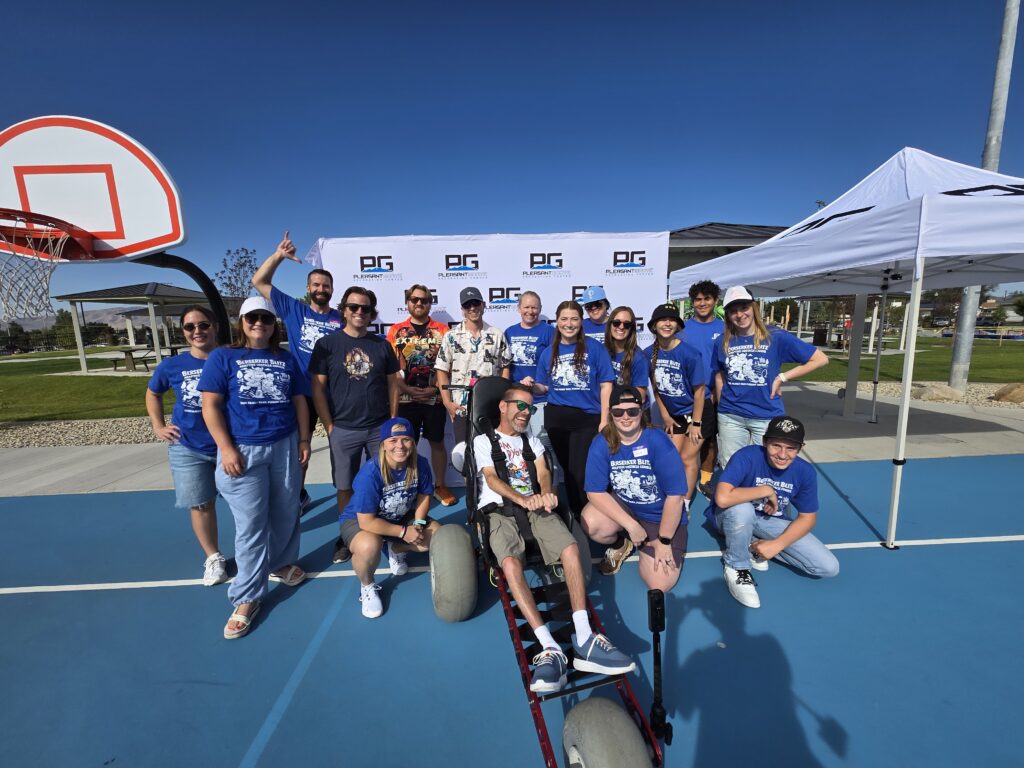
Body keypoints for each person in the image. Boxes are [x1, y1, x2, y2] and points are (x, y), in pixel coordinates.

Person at [474, 383, 634, 692]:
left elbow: (544, 471)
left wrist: (545, 493)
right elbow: (492, 478)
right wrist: (523, 500)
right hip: (498, 509)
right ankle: (549, 648)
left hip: (535, 506)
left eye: (530, 408)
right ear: (503, 408)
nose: (526, 413)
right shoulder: (483, 441)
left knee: (572, 549)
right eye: (520, 406)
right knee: (509, 564)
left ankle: (585, 637)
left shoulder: (531, 440)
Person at [199, 296, 311, 640]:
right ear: (242, 322)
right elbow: (211, 406)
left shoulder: (286, 358)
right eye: (252, 317)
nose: (259, 322)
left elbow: (299, 402)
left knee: (285, 511)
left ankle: (278, 562)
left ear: (273, 323)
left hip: (285, 445)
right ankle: (247, 597)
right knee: (251, 524)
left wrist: (305, 440)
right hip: (244, 450)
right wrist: (227, 448)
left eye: (265, 317)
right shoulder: (224, 357)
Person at [252, 231, 342, 513]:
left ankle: (345, 498)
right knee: (299, 453)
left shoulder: (341, 318)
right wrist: (279, 255)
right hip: (301, 394)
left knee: (339, 451)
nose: (321, 288)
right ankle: (298, 495)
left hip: (334, 397)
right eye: (316, 284)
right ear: (308, 287)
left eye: (326, 285)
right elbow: (259, 281)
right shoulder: (294, 310)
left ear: (331, 289)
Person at [309, 286, 400, 565]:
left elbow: (393, 384)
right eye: (353, 307)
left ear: (372, 313)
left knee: (384, 483)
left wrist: (393, 423)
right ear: (343, 310)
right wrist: (329, 424)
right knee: (345, 486)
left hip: (378, 427)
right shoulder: (327, 345)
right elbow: (317, 389)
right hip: (344, 429)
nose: (360, 312)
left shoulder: (382, 345)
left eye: (366, 308)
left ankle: (385, 533)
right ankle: (348, 535)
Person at [710, 415, 839, 608]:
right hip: (730, 516)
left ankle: (751, 543)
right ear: (764, 442)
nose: (782, 454)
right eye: (776, 446)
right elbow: (722, 498)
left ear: (800, 448)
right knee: (743, 509)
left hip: (768, 521)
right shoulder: (747, 456)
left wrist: (776, 545)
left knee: (828, 567)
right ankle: (737, 566)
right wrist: (765, 490)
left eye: (791, 448)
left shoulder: (805, 472)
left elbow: (808, 517)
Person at [146, 305, 227, 586]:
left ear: (214, 326)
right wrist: (158, 426)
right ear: (182, 332)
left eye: (203, 325)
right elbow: (153, 393)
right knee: (202, 504)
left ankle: (254, 554)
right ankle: (213, 557)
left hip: (229, 445)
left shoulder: (230, 357)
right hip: (188, 447)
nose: (197, 331)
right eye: (190, 327)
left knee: (245, 503)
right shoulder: (173, 365)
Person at [582, 385, 688, 592]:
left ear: (641, 412)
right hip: (627, 505)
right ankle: (623, 543)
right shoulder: (602, 442)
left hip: (659, 515)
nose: (626, 417)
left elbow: (675, 497)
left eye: (632, 411)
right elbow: (594, 492)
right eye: (618, 412)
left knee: (659, 584)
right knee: (591, 524)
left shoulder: (658, 441)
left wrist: (664, 540)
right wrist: (631, 525)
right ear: (611, 414)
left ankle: (655, 542)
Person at [714, 286, 829, 468]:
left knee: (764, 467)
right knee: (732, 466)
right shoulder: (722, 341)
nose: (739, 314)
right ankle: (738, 497)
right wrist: (723, 406)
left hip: (765, 414)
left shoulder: (775, 336)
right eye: (733, 310)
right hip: (731, 416)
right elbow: (720, 375)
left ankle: (759, 497)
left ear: (753, 307)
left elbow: (820, 359)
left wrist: (782, 377)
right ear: (727, 314)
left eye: (744, 307)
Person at [339, 417, 440, 618]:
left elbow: (423, 496)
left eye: (405, 439)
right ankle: (367, 586)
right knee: (369, 546)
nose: (400, 446)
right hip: (362, 521)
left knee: (437, 537)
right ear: (383, 444)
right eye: (393, 441)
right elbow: (366, 521)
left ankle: (394, 548)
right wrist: (403, 532)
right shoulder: (371, 473)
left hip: (400, 515)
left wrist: (418, 524)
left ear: (413, 441)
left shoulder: (421, 463)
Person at [534, 300, 614, 516]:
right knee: (568, 472)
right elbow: (542, 386)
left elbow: (607, 384)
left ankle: (598, 515)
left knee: (581, 472)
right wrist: (532, 386)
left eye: (574, 319)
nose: (569, 324)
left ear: (581, 322)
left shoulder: (595, 348)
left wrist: (604, 419)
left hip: (587, 419)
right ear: (557, 322)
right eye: (564, 319)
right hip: (557, 419)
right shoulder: (548, 352)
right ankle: (580, 517)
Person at [386, 284, 456, 506]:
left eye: (424, 300)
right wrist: (405, 388)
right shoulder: (395, 331)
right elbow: (390, 367)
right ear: (407, 302)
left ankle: (440, 485)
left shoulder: (443, 331)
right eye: (414, 299)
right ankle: (408, 486)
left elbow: (451, 366)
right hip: (405, 400)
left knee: (437, 442)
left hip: (434, 398)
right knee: (406, 444)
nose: (419, 303)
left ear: (430, 303)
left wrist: (435, 389)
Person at [646, 303, 706, 508]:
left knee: (688, 459)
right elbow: (655, 387)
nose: (667, 323)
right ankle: (671, 495)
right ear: (654, 325)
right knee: (671, 457)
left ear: (678, 326)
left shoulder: (690, 353)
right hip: (673, 415)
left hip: (697, 413)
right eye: (662, 319)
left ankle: (685, 503)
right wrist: (665, 415)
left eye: (671, 320)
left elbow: (700, 391)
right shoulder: (648, 353)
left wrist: (696, 423)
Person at [434, 286, 511, 443]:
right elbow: (441, 370)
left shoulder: (497, 335)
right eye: (467, 305)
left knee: (493, 453)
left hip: (491, 406)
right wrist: (447, 402)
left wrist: (504, 398)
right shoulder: (451, 336)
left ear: (483, 304)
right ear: (462, 308)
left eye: (476, 303)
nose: (472, 308)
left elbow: (505, 367)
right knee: (464, 455)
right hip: (461, 408)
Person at [680, 280, 725, 493]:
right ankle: (684, 477)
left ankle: (705, 480)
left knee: (710, 441)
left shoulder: (725, 329)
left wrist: (718, 392)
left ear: (715, 301)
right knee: (687, 442)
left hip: (714, 396)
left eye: (707, 298)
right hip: (687, 397)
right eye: (698, 299)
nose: (702, 303)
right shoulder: (682, 329)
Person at [504, 290, 557, 462]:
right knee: (519, 453)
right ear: (519, 309)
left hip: (541, 401)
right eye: (526, 307)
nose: (530, 311)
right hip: (517, 401)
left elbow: (556, 365)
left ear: (540, 309)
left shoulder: (549, 331)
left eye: (534, 307)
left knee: (544, 453)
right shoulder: (509, 332)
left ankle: (550, 489)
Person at [604, 305, 649, 401]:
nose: (621, 327)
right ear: (610, 324)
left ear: (631, 328)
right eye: (616, 323)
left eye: (627, 324)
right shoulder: (602, 351)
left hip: (631, 411)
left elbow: (640, 396)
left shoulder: (638, 357)